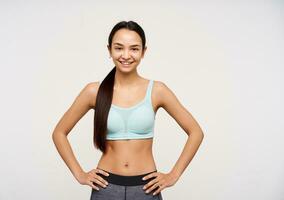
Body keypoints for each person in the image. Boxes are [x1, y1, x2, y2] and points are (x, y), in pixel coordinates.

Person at [52, 20, 204, 200]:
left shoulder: (157, 90)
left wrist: (174, 175)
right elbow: (59, 133)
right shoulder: (94, 91)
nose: (126, 55)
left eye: (134, 48)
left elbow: (196, 132)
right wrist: (80, 174)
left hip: (146, 189)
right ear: (109, 50)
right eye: (119, 48)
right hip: (106, 188)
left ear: (143, 52)